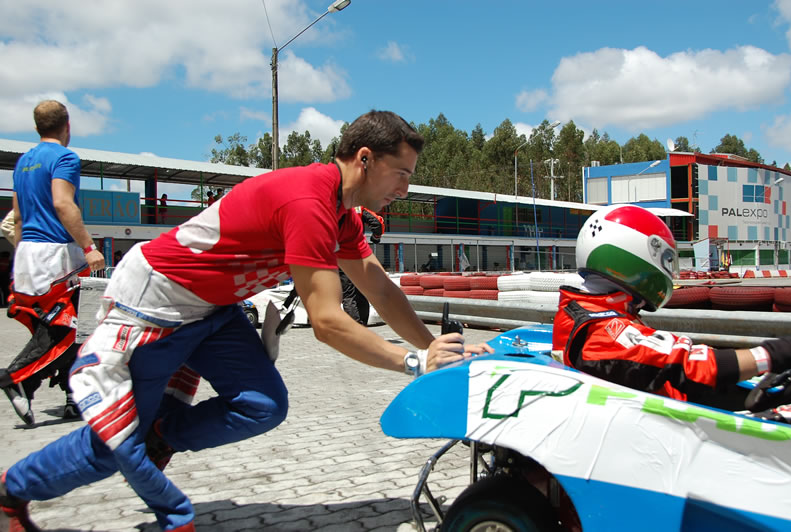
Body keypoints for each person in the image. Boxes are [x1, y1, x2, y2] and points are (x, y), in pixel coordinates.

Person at [0, 110, 493, 532]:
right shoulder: (308, 201)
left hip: (212, 309)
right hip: (159, 305)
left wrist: (435, 348)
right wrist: (413, 362)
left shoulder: (342, 213)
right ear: (364, 159)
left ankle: (161, 436)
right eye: (401, 174)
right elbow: (326, 320)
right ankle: (10, 493)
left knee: (262, 404)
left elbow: (380, 289)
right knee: (111, 446)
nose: (405, 189)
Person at [552, 204, 791, 409]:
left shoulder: (599, 312)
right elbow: (684, 365)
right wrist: (772, 354)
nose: (669, 270)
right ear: (635, 255)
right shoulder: (599, 330)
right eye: (666, 260)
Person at [0, 100, 105, 429]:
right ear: (67, 126)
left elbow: (17, 216)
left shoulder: (23, 163)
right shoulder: (64, 157)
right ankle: (17, 376)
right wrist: (89, 247)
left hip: (28, 253)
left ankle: (70, 397)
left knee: (67, 329)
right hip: (56, 253)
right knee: (71, 328)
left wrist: (21, 256)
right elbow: (63, 203)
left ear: (36, 127)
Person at [340, 206, 384, 325]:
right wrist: (375, 238)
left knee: (348, 295)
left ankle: (356, 329)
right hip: (360, 254)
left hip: (341, 255)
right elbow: (377, 223)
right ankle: (363, 325)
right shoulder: (358, 207)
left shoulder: (329, 203)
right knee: (361, 291)